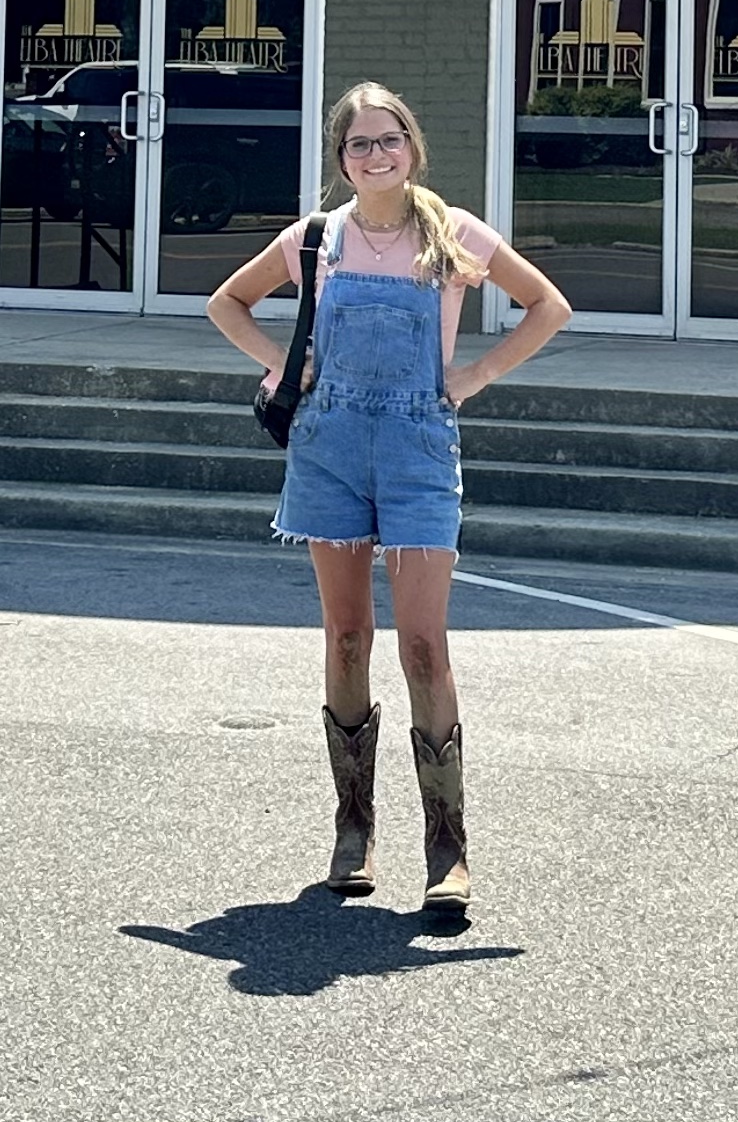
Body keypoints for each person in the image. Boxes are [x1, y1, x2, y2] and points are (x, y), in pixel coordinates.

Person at [206, 80, 571, 913]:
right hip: (328, 449)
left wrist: (476, 374)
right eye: (359, 144)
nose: (376, 155)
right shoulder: (315, 239)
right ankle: (352, 829)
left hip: (416, 450)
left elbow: (547, 304)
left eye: (389, 139)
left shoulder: (452, 233)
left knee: (423, 646)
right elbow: (225, 302)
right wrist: (283, 363)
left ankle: (447, 846)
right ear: (340, 161)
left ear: (412, 146)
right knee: (344, 638)